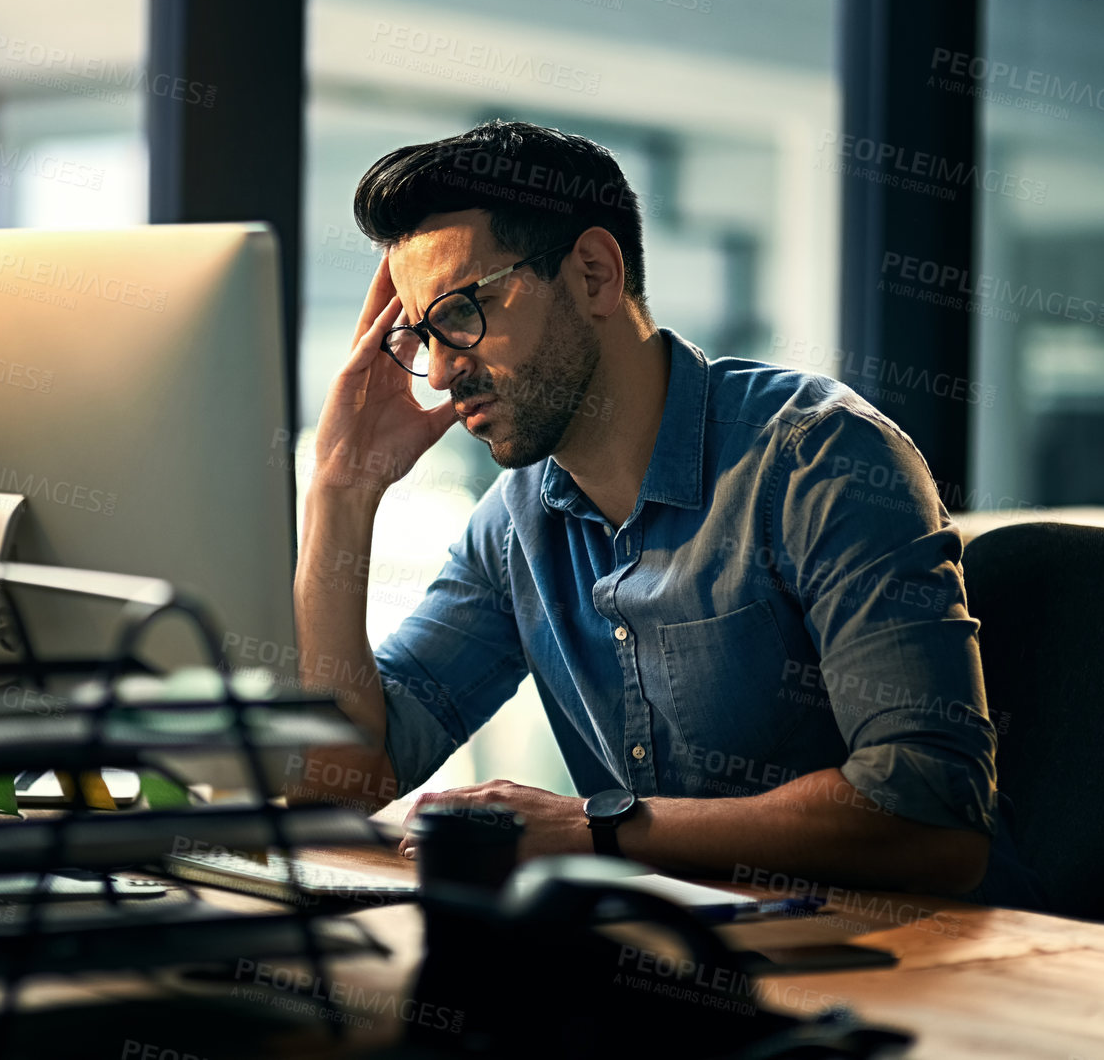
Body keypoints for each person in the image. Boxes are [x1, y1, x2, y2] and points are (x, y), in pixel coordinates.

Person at [292, 119, 1011, 897]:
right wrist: (341, 490)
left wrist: (597, 829)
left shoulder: (820, 460)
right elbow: (341, 780)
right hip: (671, 966)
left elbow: (931, 817)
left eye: (461, 313)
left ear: (594, 273)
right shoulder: (515, 527)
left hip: (913, 977)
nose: (436, 372)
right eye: (420, 333)